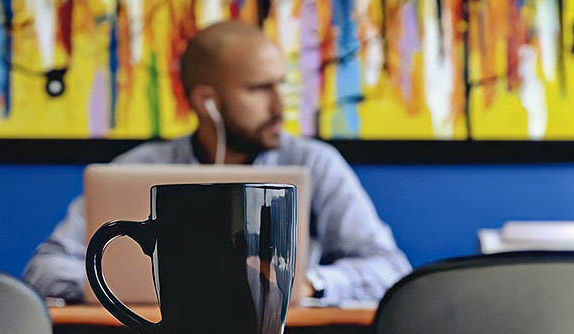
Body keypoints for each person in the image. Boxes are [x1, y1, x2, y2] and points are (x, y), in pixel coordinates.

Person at [24, 21, 412, 305]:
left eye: (281, 85)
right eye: (260, 89)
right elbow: (45, 269)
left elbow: (390, 269)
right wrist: (119, 284)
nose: (281, 105)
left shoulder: (315, 164)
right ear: (206, 100)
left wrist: (308, 282)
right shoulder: (138, 168)